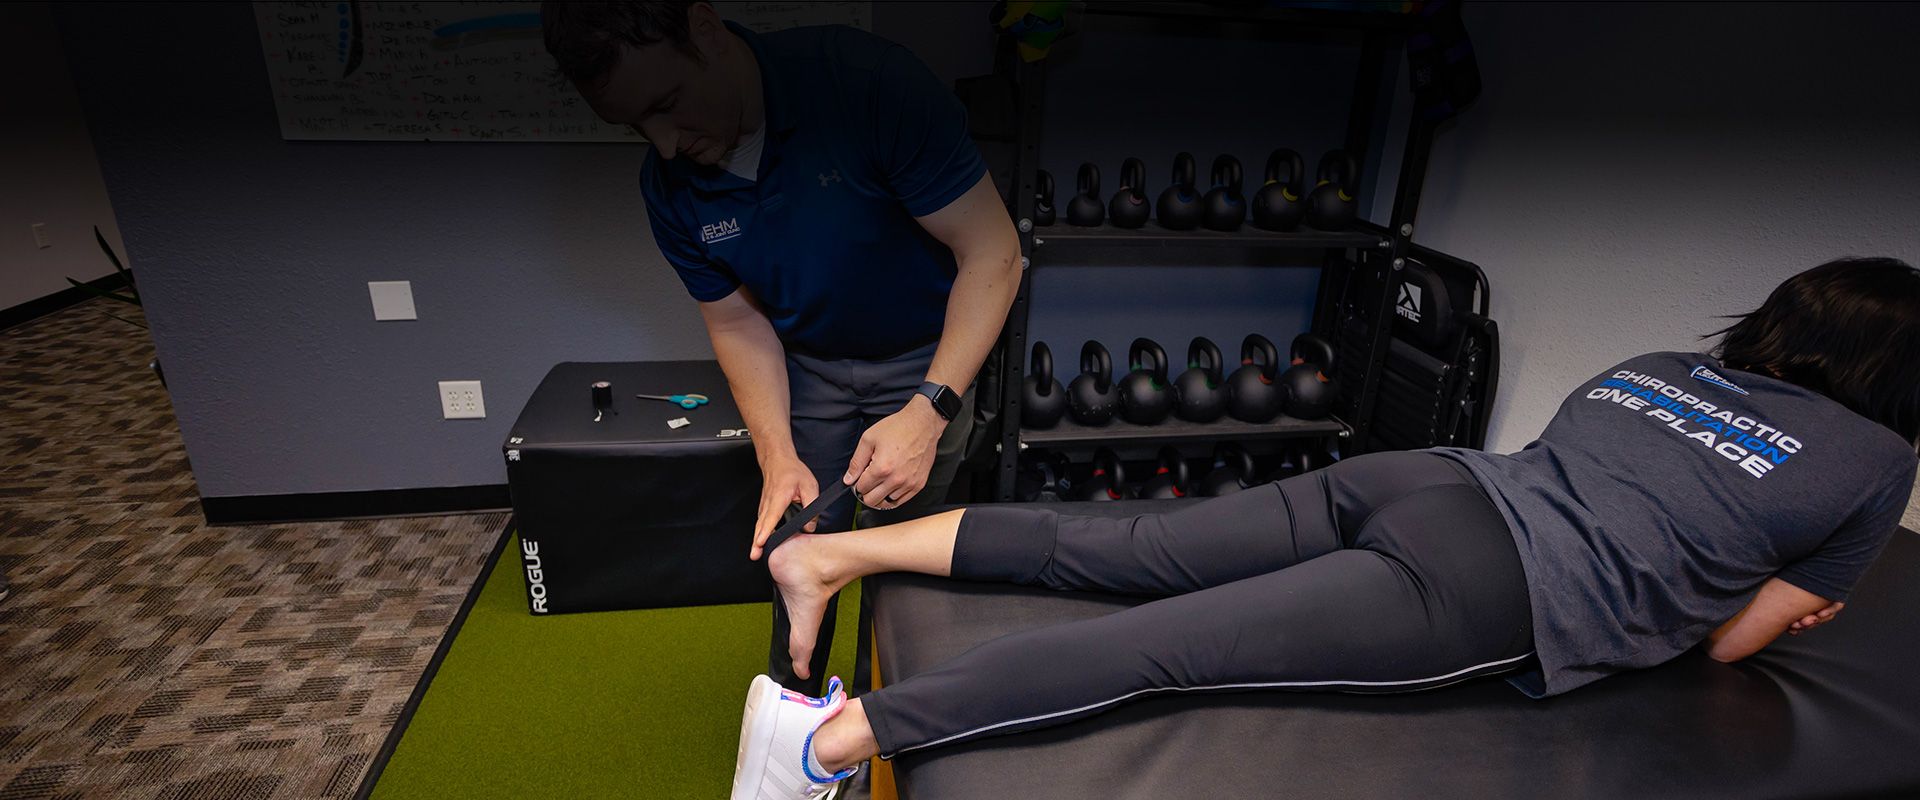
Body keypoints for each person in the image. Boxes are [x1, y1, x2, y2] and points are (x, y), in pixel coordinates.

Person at [728, 257, 1920, 800]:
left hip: (1421, 482)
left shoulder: (1659, 364)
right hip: (1488, 582)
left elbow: (1606, 479)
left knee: (1126, 547)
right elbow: (1725, 642)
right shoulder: (1876, 459)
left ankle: (830, 550)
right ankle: (825, 747)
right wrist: (1803, 598)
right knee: (1170, 647)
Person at [541, 2, 1020, 695]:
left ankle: (890, 723)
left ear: (704, 30)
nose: (666, 144)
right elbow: (737, 323)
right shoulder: (668, 186)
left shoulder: (863, 83)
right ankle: (793, 713)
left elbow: (993, 251)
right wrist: (776, 456)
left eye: (669, 104)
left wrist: (929, 409)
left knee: (901, 555)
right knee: (797, 542)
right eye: (638, 127)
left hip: (928, 356)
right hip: (810, 366)